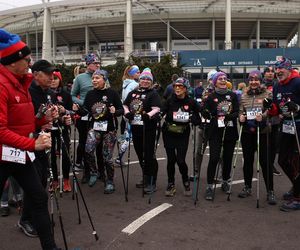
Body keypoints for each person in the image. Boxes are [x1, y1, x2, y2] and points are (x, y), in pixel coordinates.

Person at [0, 29, 60, 250]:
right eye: (26, 59)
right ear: (13, 61)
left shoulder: (21, 83)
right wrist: (32, 144)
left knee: (39, 197)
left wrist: (41, 121)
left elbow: (23, 123)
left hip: (18, 155)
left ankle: (50, 247)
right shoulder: (2, 84)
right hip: (4, 155)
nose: (30, 63)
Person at [74, 69, 123, 193]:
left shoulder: (112, 93)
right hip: (94, 127)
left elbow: (121, 109)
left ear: (104, 80)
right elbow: (85, 111)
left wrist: (115, 112)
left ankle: (110, 181)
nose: (94, 80)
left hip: (109, 129)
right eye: (93, 78)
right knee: (88, 150)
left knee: (107, 157)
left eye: (97, 78)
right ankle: (94, 172)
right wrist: (78, 110)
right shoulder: (90, 94)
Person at [238, 70, 276, 205]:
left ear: (261, 80)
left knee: (265, 162)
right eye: (251, 79)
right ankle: (247, 187)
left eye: (257, 79)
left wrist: (264, 116)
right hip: (248, 132)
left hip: (263, 131)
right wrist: (240, 117)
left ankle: (270, 191)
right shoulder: (244, 95)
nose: (254, 82)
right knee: (247, 161)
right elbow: (241, 111)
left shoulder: (267, 93)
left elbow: (270, 110)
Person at [123, 68, 162, 194]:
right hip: (136, 127)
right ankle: (145, 177)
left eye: (148, 79)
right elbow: (125, 105)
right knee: (140, 154)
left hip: (148, 128)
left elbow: (156, 108)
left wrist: (148, 115)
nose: (145, 81)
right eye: (143, 79)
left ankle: (152, 181)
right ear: (139, 80)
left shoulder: (153, 93)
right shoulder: (133, 93)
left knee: (149, 155)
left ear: (151, 82)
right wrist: (127, 113)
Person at [202, 71, 239, 201]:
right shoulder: (211, 97)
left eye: (225, 78)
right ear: (215, 82)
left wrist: (230, 116)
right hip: (215, 132)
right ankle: (209, 186)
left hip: (229, 131)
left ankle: (225, 181)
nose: (223, 80)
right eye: (220, 79)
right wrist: (206, 112)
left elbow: (236, 112)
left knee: (227, 159)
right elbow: (205, 111)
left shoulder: (233, 95)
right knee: (214, 158)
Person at [161, 77, 201, 197]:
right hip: (169, 132)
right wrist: (158, 116)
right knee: (171, 160)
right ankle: (171, 183)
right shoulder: (169, 100)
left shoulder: (191, 102)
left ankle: (185, 180)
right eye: (175, 86)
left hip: (182, 133)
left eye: (180, 86)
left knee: (181, 160)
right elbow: (161, 112)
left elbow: (198, 119)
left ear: (186, 88)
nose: (177, 88)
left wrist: (192, 118)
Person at [272, 58, 300, 211]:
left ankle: (298, 197)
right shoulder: (277, 86)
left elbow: (295, 107)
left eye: (280, 69)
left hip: (299, 126)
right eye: (276, 70)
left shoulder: (297, 82)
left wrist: (297, 107)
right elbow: (277, 108)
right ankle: (297, 186)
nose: (277, 72)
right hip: (286, 126)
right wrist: (270, 108)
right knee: (282, 160)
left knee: (296, 161)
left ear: (288, 69)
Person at [71, 53, 101, 183]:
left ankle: (101, 172)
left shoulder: (103, 76)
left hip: (99, 115)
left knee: (99, 144)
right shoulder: (80, 78)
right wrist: (83, 103)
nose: (97, 65)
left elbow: (108, 91)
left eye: (98, 63)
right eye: (95, 63)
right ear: (88, 64)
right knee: (84, 143)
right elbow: (72, 95)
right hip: (84, 114)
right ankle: (87, 172)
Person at [50, 70, 73, 192]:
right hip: (49, 129)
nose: (53, 80)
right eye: (51, 78)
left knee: (64, 154)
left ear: (60, 80)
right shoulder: (46, 93)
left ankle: (66, 180)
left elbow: (71, 111)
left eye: (55, 78)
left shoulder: (65, 94)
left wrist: (65, 112)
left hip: (63, 128)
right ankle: (54, 180)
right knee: (51, 156)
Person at [262, 65, 281, 176]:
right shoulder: (260, 85)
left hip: (275, 119)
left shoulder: (278, 85)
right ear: (264, 73)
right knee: (263, 143)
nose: (270, 73)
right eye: (267, 71)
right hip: (263, 118)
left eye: (272, 71)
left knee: (273, 144)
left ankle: (271, 164)